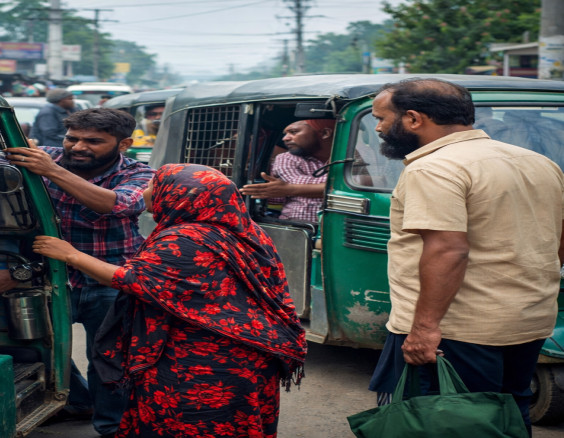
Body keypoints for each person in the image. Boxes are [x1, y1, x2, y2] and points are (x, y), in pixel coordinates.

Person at [30, 163, 308, 438]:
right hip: (248, 350)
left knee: (193, 423)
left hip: (203, 360)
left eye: (153, 186)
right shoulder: (243, 230)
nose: (146, 191)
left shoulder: (185, 237)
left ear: (179, 195)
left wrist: (70, 254)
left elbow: (133, 280)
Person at [367, 78, 564, 435]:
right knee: (507, 413)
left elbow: (447, 248)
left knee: (450, 420)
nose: (378, 127)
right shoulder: (538, 162)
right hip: (527, 321)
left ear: (413, 119)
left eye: (381, 118)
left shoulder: (434, 167)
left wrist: (424, 329)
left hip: (456, 331)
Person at [0, 108, 154, 437]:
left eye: (94, 141)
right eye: (72, 138)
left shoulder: (141, 174)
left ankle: (111, 427)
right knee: (37, 344)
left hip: (109, 278)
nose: (78, 147)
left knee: (108, 357)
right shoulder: (46, 156)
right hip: (53, 276)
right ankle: (77, 401)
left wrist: (52, 171)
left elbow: (115, 204)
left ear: (124, 143)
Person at [239, 119, 335, 222]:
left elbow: (293, 187)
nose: (285, 138)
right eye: (285, 134)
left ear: (325, 133)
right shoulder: (286, 158)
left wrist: (290, 189)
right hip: (298, 226)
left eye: (294, 132)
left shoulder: (350, 158)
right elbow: (342, 187)